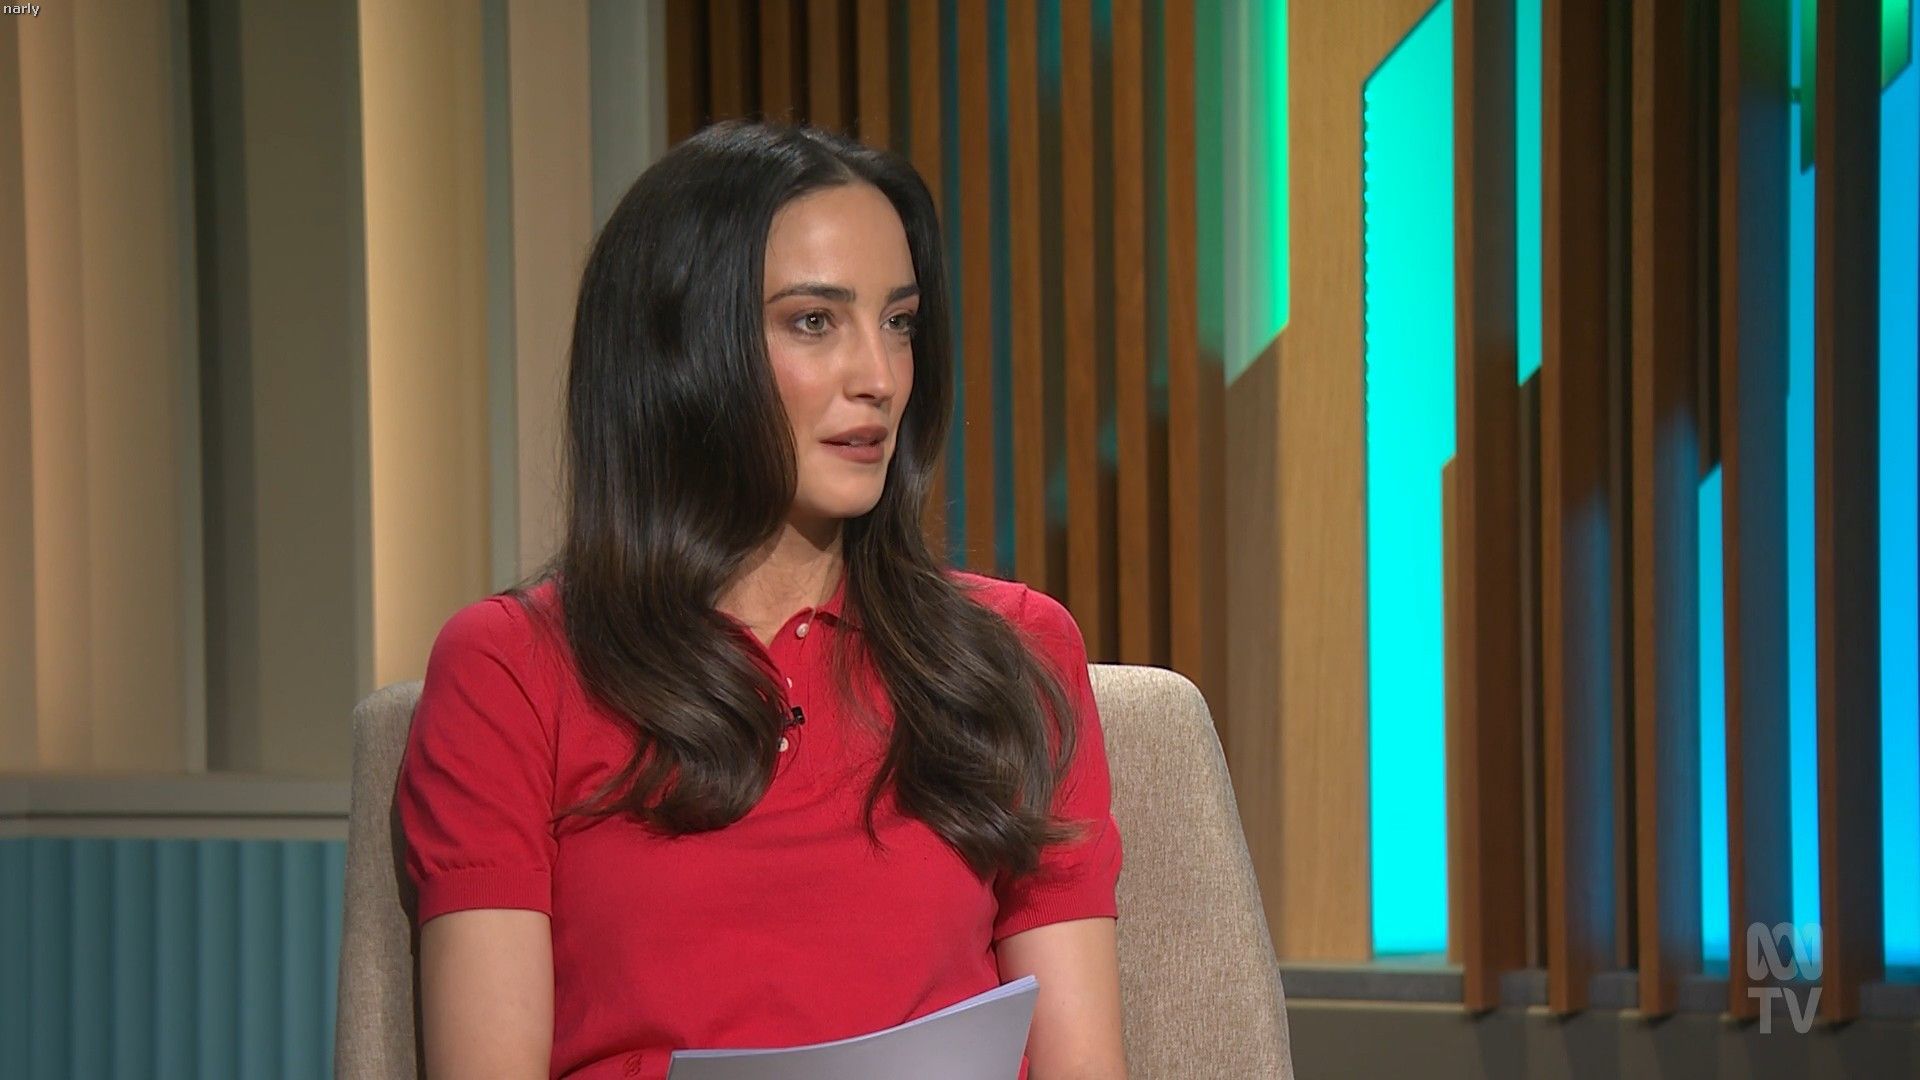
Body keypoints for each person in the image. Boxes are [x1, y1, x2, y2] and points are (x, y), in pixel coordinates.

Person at [396, 119, 1126, 1080]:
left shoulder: (1013, 650)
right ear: (679, 353)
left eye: (899, 323)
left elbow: (1082, 1064)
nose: (879, 378)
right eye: (814, 322)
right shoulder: (512, 669)